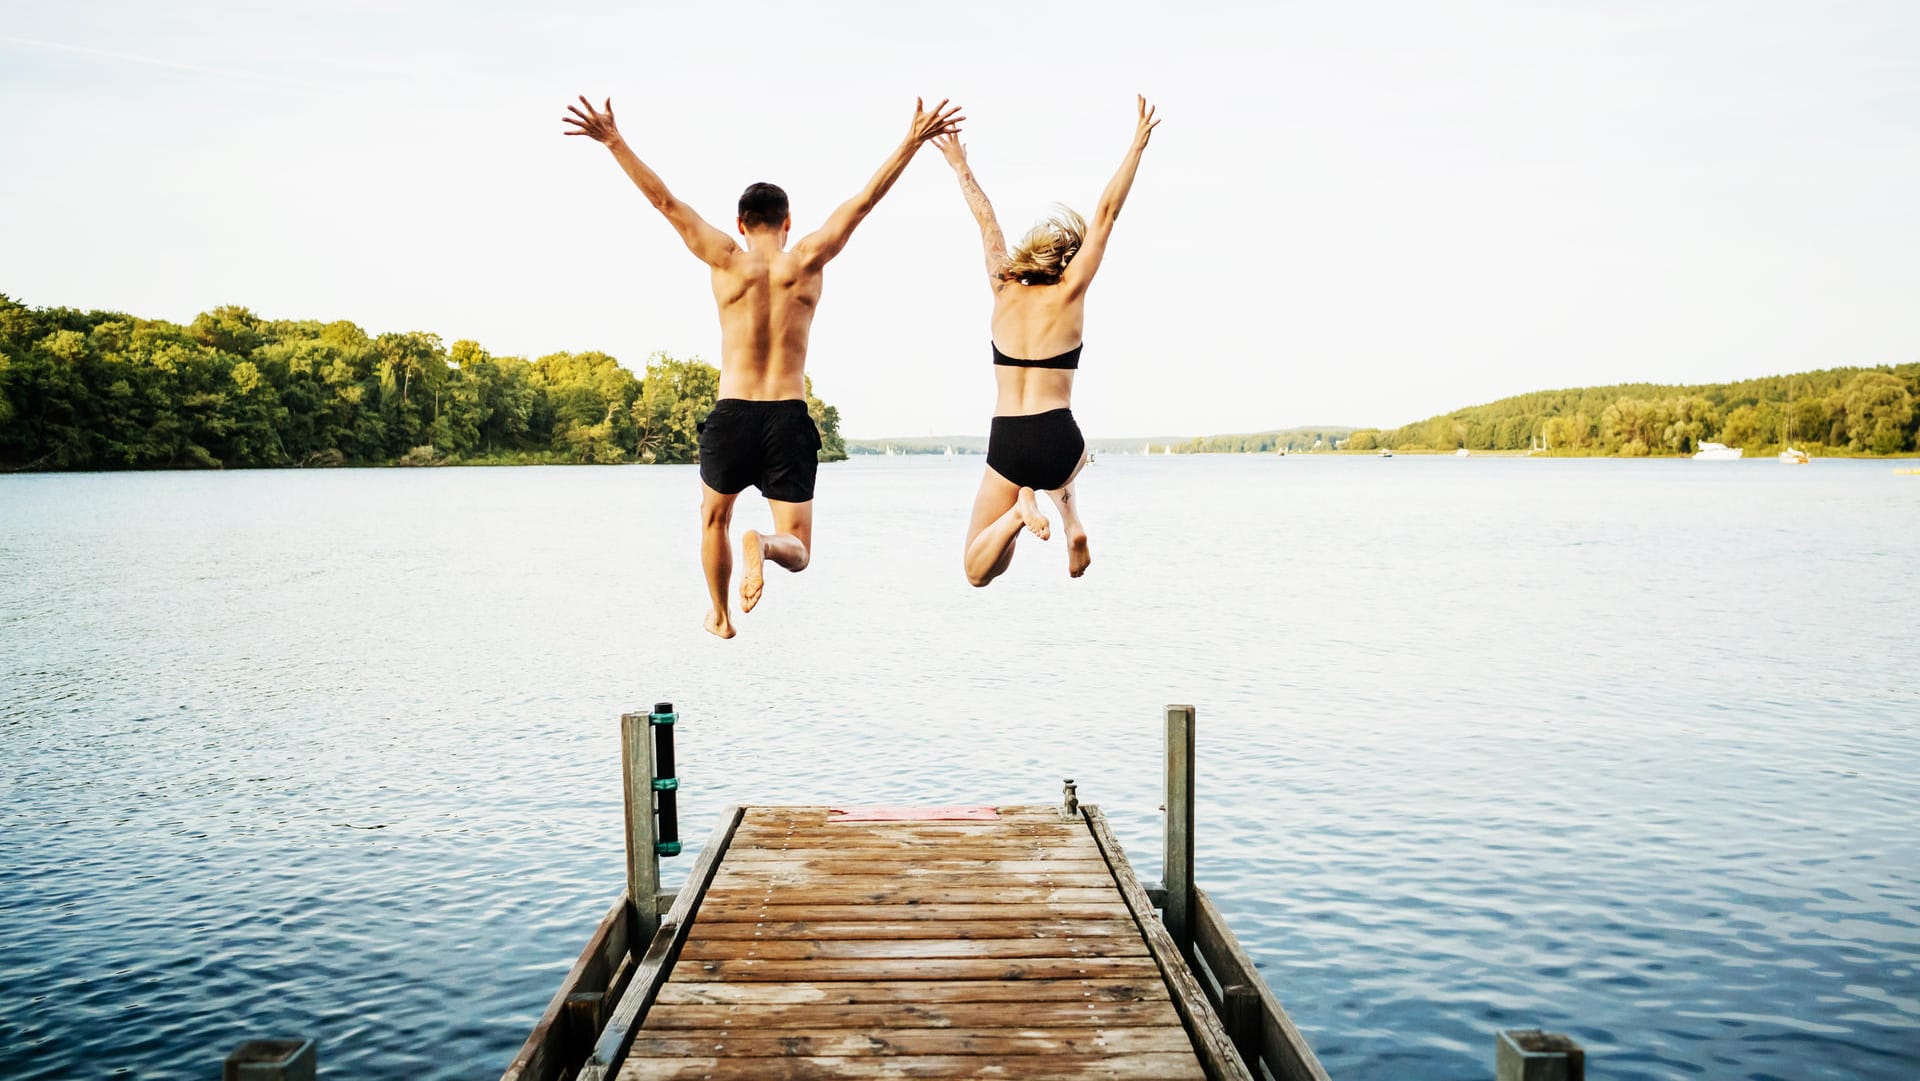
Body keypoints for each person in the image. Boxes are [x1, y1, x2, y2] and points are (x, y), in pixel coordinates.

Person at [564, 95, 963, 638]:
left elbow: (664, 201)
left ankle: (721, 615)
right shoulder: (808, 258)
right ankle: (766, 545)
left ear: (741, 222)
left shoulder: (724, 256)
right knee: (798, 549)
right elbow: (864, 202)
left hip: (732, 414)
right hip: (787, 416)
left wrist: (614, 141)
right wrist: (912, 142)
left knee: (714, 519)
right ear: (788, 222)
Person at [932, 96, 1159, 587]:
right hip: (1060, 437)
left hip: (1009, 439)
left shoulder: (1001, 287)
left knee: (979, 569)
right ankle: (1071, 519)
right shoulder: (1071, 292)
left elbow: (986, 219)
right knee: (1073, 458)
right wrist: (1136, 146)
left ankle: (1018, 513)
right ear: (1065, 263)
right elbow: (1106, 214)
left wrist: (959, 165)